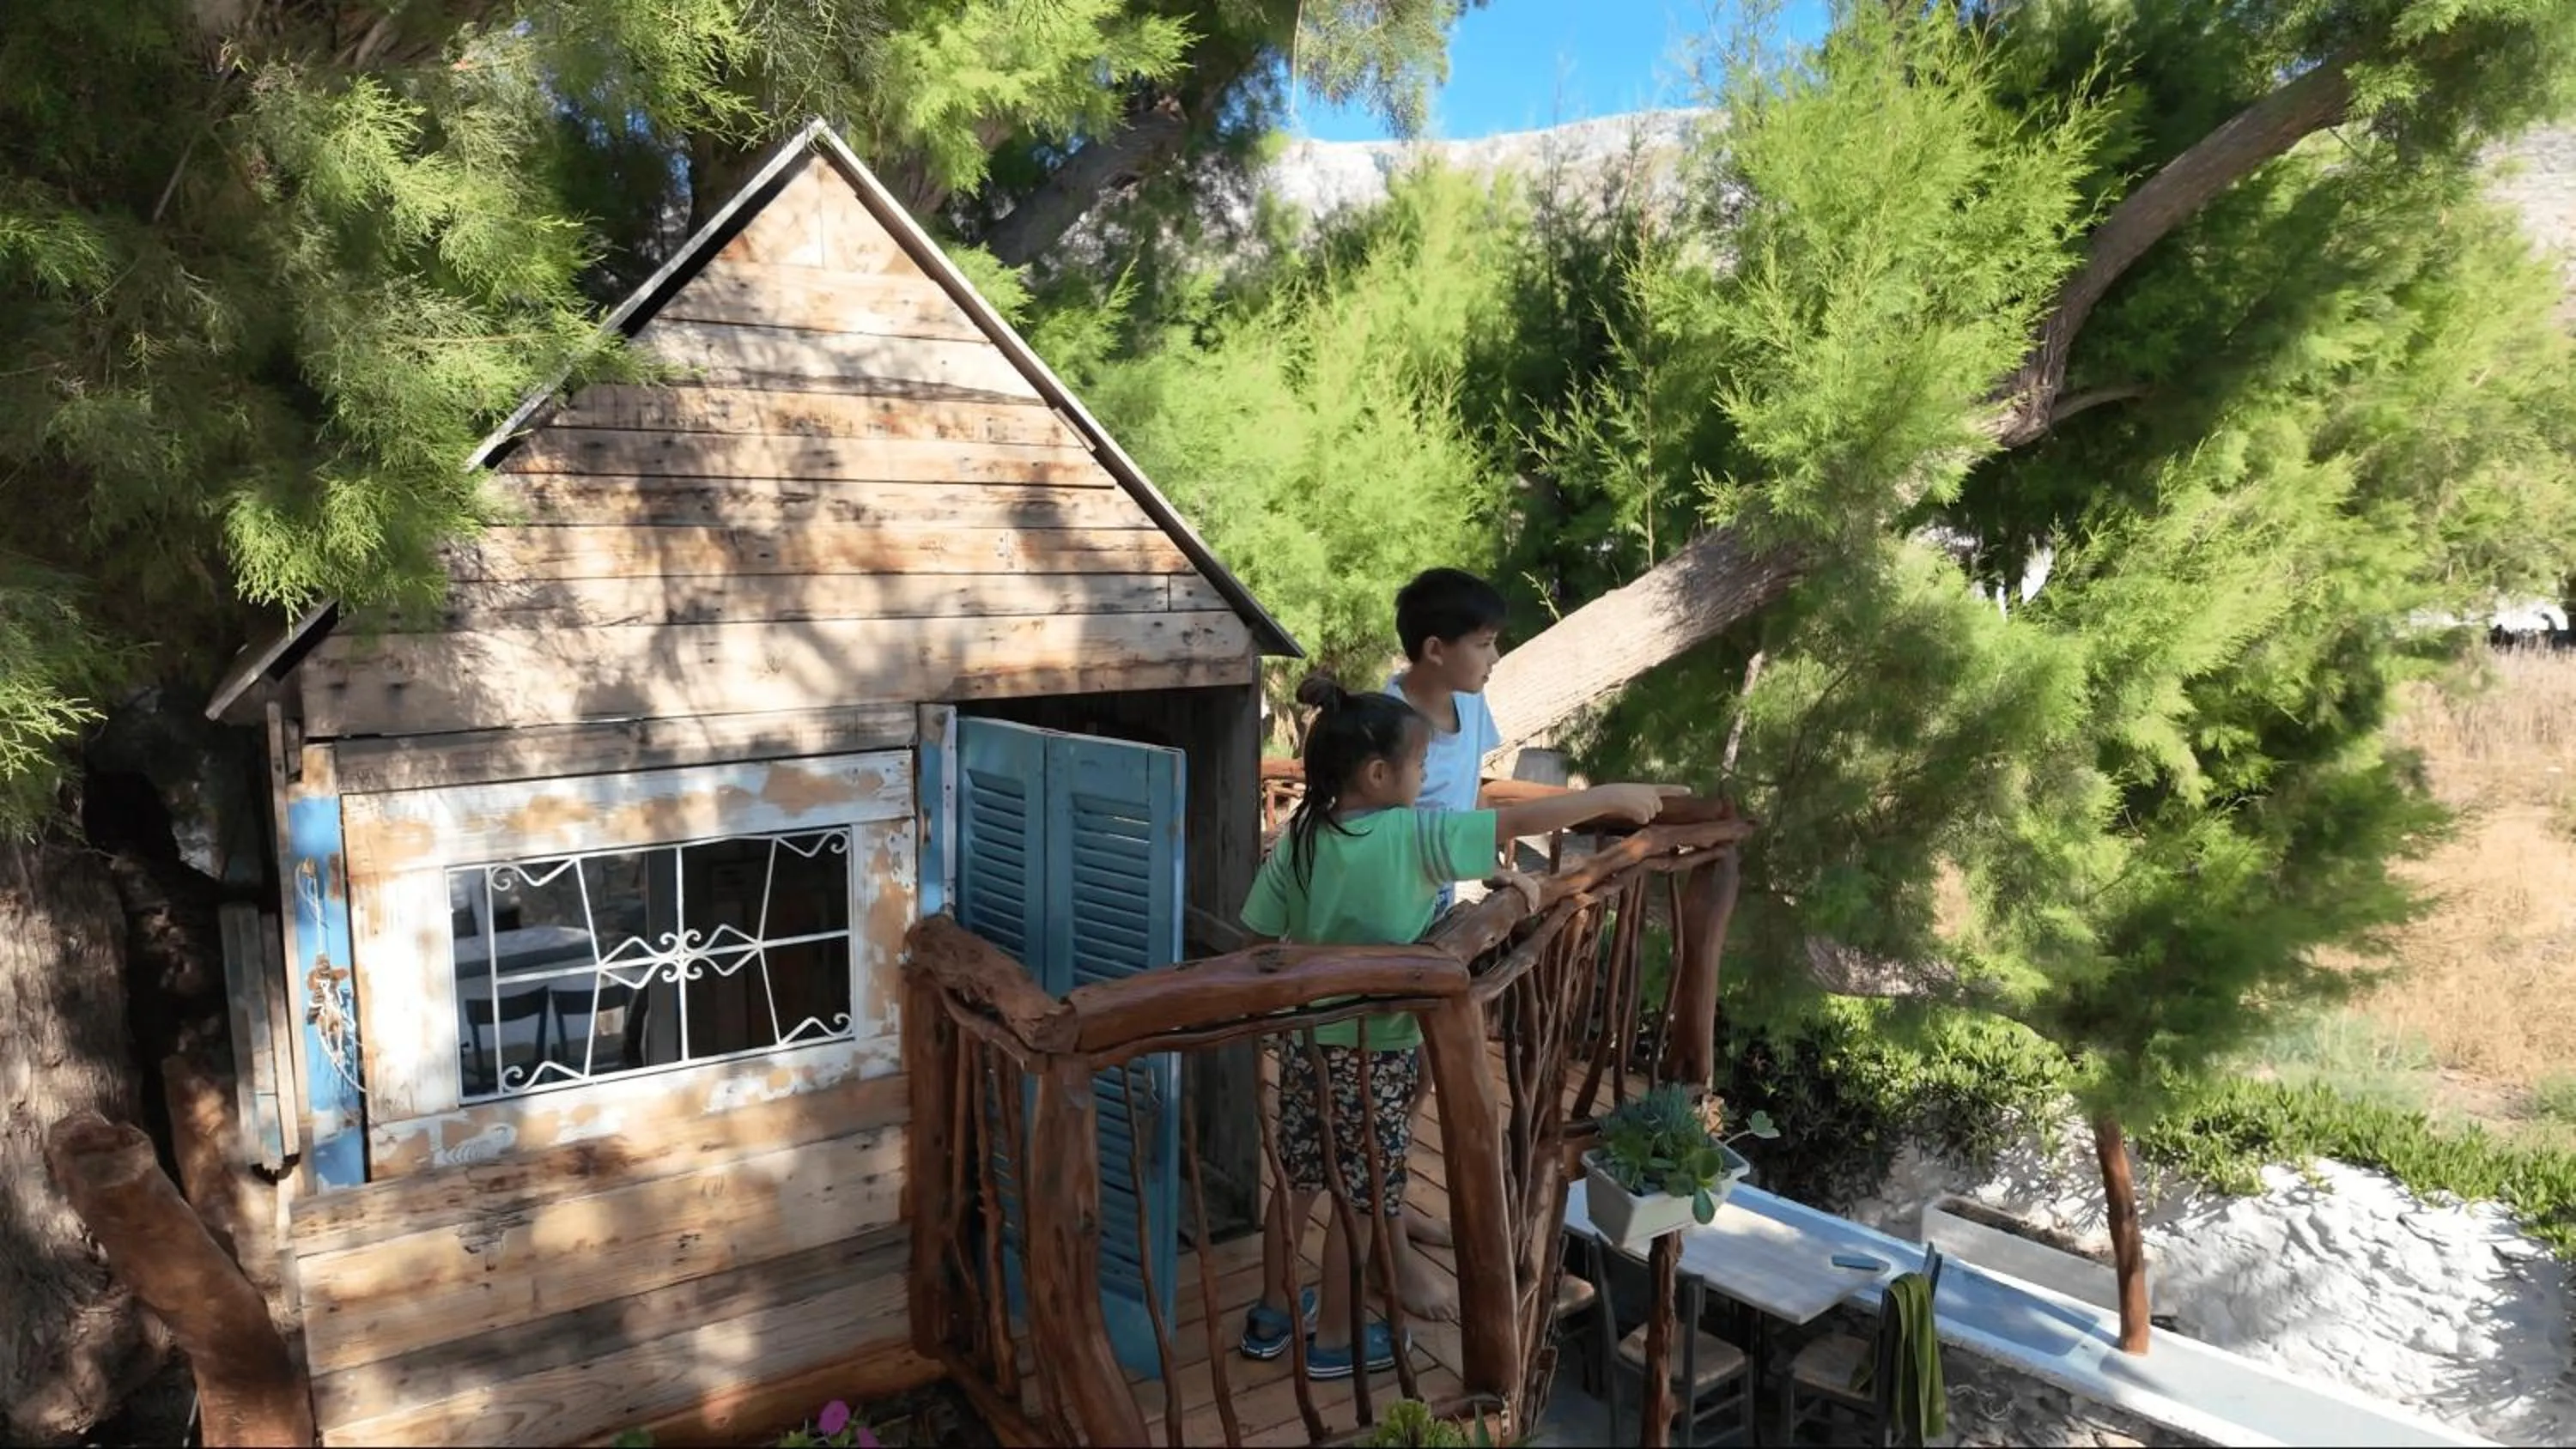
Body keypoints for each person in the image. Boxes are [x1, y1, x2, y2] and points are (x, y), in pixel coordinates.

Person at [1235, 676, 1679, 1379]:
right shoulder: (1412, 835)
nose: (1423, 779)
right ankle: (1334, 1343)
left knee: (1297, 1182)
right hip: (1375, 1051)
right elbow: (1511, 826)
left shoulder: (1303, 836)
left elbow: (1258, 931)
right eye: (1419, 767)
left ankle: (1270, 1316)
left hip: (1304, 1045)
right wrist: (1612, 798)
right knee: (1361, 1203)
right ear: (1380, 774)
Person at [1383, 567, 1509, 1253]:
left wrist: (1487, 863)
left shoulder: (1473, 708)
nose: (1492, 659)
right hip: (1391, 916)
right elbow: (1378, 828)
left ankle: (1392, 1207)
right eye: (1483, 644)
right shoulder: (1387, 723)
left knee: (1426, 1068)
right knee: (1391, 1076)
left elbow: (1475, 790)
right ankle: (1384, 1244)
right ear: (1436, 649)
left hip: (1440, 909)